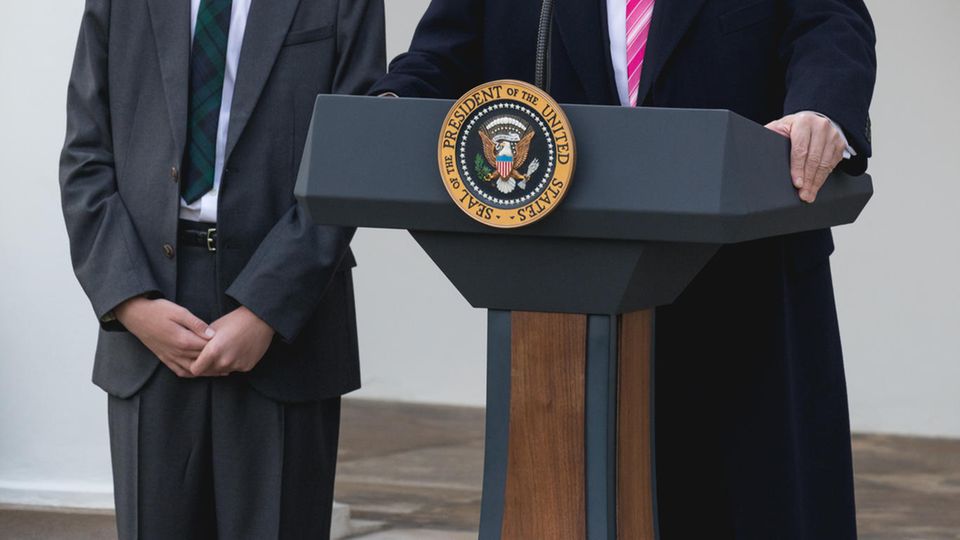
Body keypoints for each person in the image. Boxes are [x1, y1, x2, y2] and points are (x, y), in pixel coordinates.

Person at [371, 0, 875, 538]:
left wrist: (822, 111)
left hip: (748, 293)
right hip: (573, 297)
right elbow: (439, 57)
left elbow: (829, 28)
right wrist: (388, 109)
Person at [59, 0, 384, 537]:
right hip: (148, 315)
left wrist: (266, 308)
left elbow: (353, 156)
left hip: (286, 319)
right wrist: (129, 302)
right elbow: (85, 156)